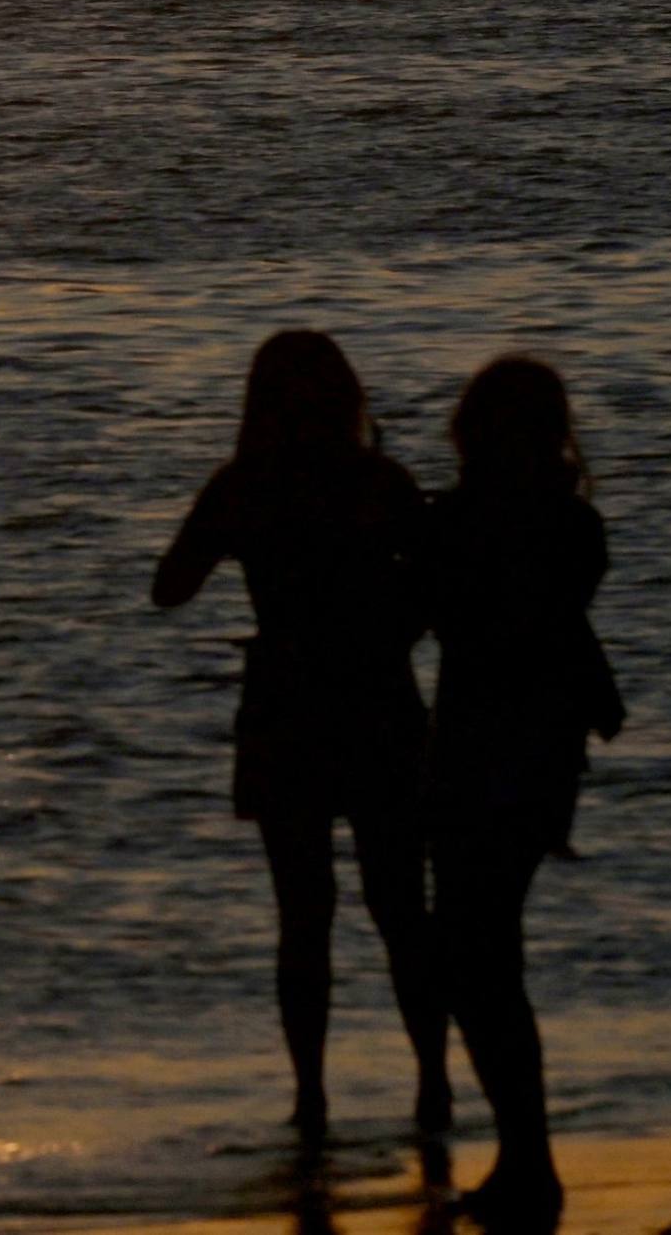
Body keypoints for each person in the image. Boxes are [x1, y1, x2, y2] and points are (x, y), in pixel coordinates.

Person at [153, 330, 453, 1146]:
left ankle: (311, 1097)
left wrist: (227, 530)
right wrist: (388, 627)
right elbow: (438, 589)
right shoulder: (378, 481)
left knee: (302, 914)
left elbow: (168, 589)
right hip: (379, 705)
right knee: (399, 907)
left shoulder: (243, 485)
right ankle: (433, 1085)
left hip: (285, 707)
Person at [420, 355, 624, 1230]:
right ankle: (524, 1154)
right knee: (481, 955)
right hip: (540, 755)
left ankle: (528, 1160)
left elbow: (431, 610)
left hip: (477, 752)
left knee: (474, 959)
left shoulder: (461, 523)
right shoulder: (573, 525)